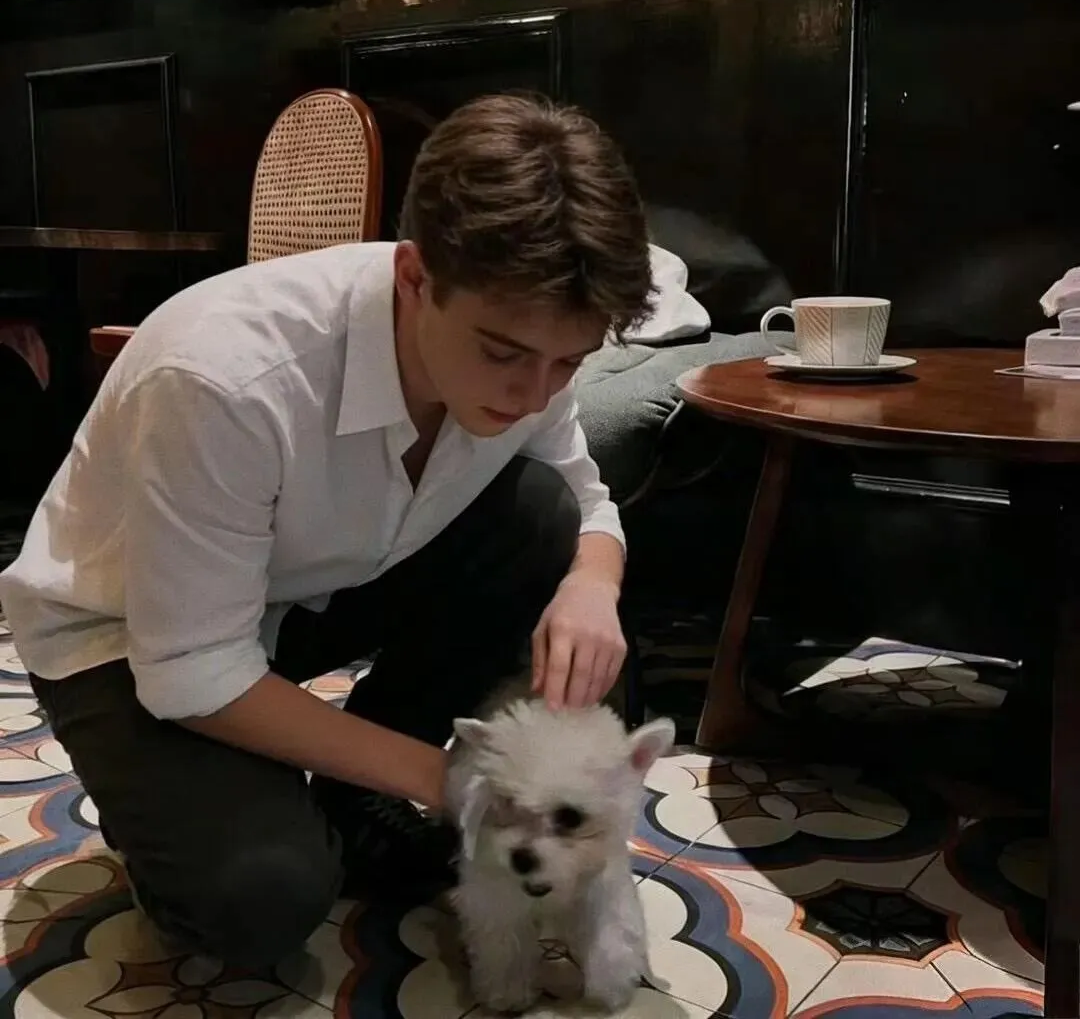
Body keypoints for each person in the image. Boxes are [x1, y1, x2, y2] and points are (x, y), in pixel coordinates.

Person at [0, 94, 654, 967]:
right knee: (259, 901)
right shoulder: (226, 377)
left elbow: (585, 499)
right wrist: (445, 779)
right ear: (414, 276)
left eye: (568, 362)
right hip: (125, 639)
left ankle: (351, 797)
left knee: (544, 518)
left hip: (307, 589)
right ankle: (193, 800)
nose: (536, 392)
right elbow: (192, 668)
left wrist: (593, 586)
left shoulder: (525, 337)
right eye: (503, 354)